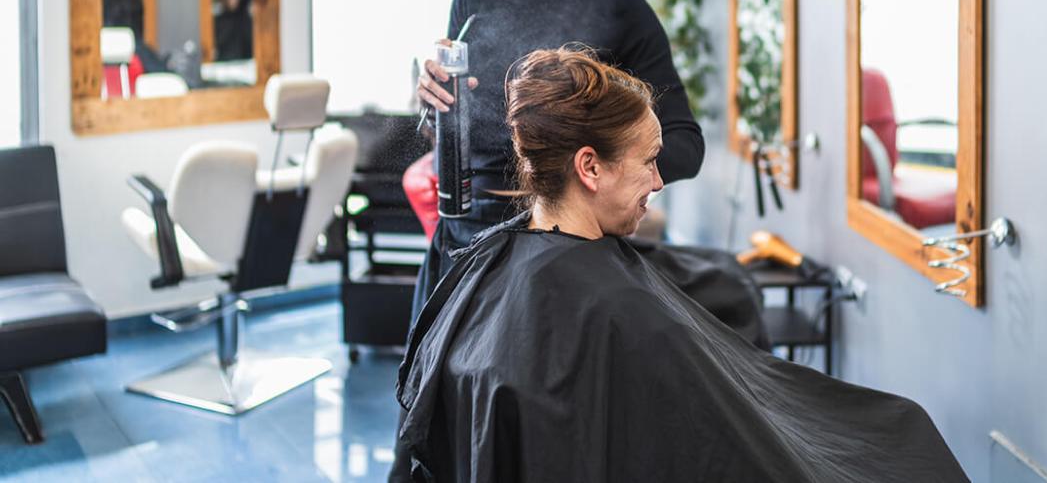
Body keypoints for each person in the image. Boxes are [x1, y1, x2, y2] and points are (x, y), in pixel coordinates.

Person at [395, 49, 967, 483]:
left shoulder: (486, 268)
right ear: (589, 166)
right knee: (905, 439)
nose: (660, 180)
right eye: (648, 162)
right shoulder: (622, 315)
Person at [412, 0, 704, 313]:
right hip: (467, 240)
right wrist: (432, 101)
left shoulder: (623, 10)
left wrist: (602, 172)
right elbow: (445, 133)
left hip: (566, 252)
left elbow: (685, 146)